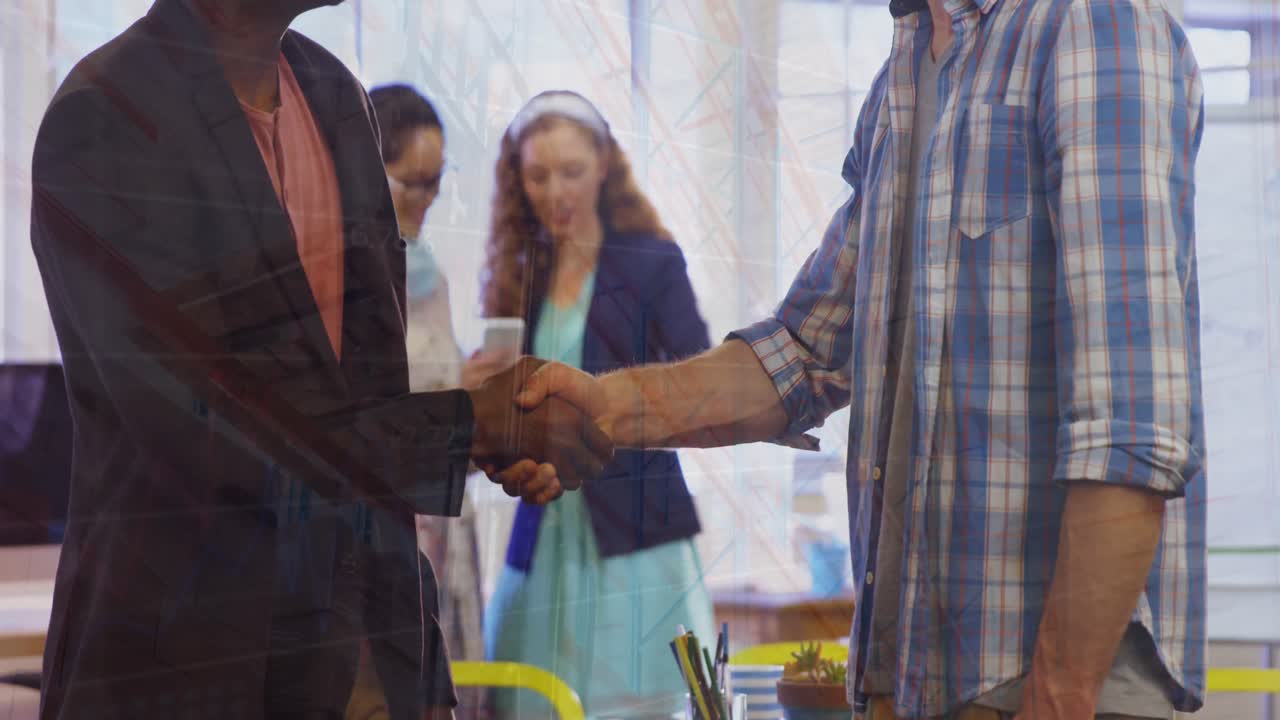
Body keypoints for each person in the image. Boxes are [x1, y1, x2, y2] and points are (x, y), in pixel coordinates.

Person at [504, 2, 1208, 719]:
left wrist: (1059, 697)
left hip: (1048, 689)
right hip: (912, 680)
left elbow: (1131, 423)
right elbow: (803, 352)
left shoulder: (1093, 25)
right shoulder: (905, 69)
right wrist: (608, 408)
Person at [29, 1, 610, 717]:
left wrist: (414, 662)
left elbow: (368, 395)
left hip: (359, 658)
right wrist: (474, 428)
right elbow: (216, 430)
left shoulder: (334, 93)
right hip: (188, 666)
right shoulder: (106, 116)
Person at [480, 90, 716, 719]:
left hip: (634, 528)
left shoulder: (652, 263)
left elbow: (701, 374)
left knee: (631, 703)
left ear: (604, 165)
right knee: (533, 701)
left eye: (571, 172)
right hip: (546, 520)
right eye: (537, 175)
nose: (554, 190)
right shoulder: (519, 272)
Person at [344, 83, 489, 720]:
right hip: (382, 526)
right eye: (412, 185)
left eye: (436, 184)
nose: (427, 202)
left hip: (443, 511)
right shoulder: (345, 271)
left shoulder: (427, 268)